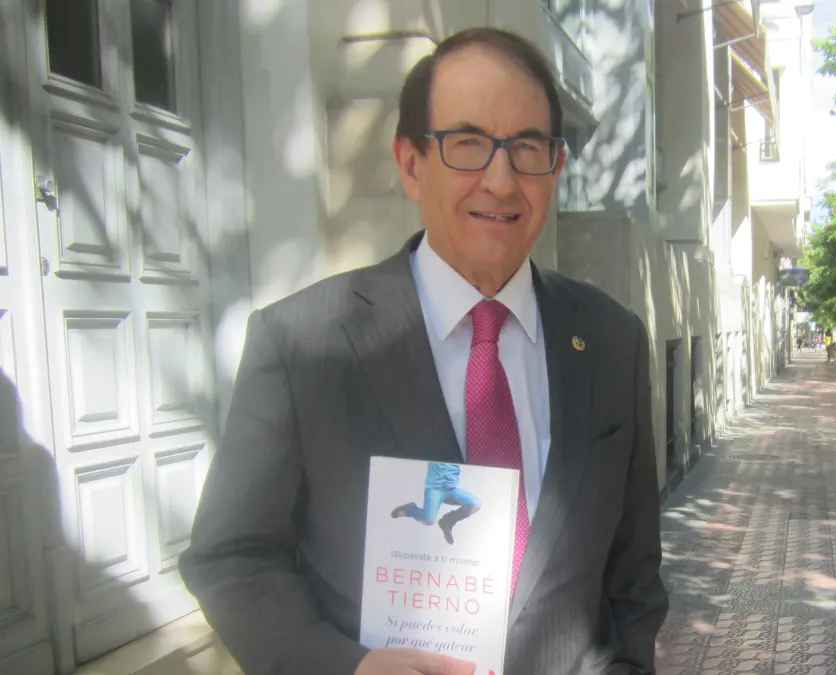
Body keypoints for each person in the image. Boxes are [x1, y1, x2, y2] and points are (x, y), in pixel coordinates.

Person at [179, 27, 667, 675]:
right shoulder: (301, 344)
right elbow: (231, 555)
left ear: (555, 169)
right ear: (411, 164)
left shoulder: (611, 340)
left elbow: (634, 575)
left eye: (528, 148)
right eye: (468, 144)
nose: (501, 180)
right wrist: (343, 667)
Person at [392, 462, 480, 545]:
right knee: (428, 520)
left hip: (451, 490)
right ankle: (409, 509)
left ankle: (447, 522)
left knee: (475, 504)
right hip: (435, 489)